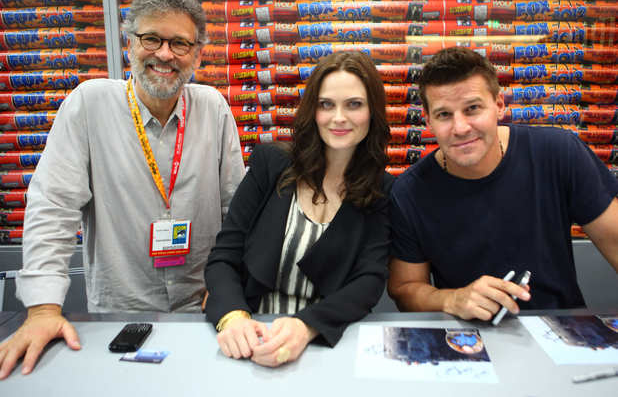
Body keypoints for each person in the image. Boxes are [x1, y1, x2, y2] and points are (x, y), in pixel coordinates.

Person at [0, 0, 245, 379]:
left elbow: (236, 212)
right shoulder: (89, 104)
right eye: (152, 38)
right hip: (120, 316)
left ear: (197, 54)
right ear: (130, 42)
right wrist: (43, 309)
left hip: (204, 310)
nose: (165, 54)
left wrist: (231, 283)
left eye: (180, 44)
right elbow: (53, 207)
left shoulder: (214, 109)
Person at [388, 47, 618, 321]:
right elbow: (405, 289)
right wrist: (453, 298)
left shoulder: (558, 153)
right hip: (470, 341)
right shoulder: (409, 192)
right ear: (427, 121)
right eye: (444, 115)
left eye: (472, 108)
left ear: (499, 105)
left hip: (566, 333)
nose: (460, 128)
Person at [204, 51, 394, 367]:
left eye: (354, 104)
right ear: (312, 110)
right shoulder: (271, 165)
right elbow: (223, 257)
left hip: (323, 345)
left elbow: (369, 281)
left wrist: (306, 326)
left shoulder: (382, 190)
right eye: (326, 104)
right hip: (250, 336)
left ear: (373, 112)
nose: (339, 117)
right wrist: (232, 317)